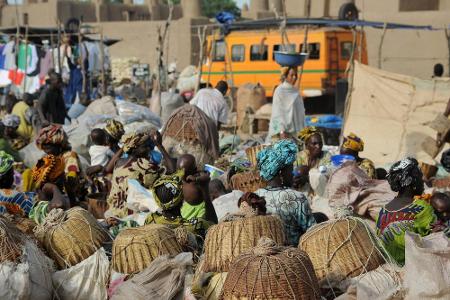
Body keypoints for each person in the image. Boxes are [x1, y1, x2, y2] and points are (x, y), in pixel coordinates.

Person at [255, 139, 316, 246]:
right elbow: (313, 232)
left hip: (264, 255)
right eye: (290, 170)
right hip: (292, 256)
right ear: (280, 172)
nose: (292, 174)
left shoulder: (255, 195)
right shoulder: (296, 197)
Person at [376, 157, 435, 266]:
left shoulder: (382, 211)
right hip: (413, 266)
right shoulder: (421, 207)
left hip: (390, 265)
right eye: (420, 178)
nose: (422, 181)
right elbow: (433, 239)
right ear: (411, 181)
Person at [106, 130, 174, 219]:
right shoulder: (143, 165)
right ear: (138, 149)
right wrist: (160, 146)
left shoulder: (119, 162)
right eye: (146, 147)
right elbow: (172, 171)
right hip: (127, 213)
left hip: (115, 208)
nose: (149, 149)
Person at [145, 171, 214, 237]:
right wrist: (205, 188)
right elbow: (214, 227)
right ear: (181, 198)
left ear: (157, 200)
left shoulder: (150, 219)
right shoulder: (193, 227)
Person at [32, 124, 83, 204]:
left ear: (58, 144)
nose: (46, 151)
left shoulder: (70, 155)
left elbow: (72, 172)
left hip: (71, 195)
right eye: (44, 147)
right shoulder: (47, 158)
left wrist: (64, 178)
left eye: (49, 146)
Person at [267, 66, 305, 141]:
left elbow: (300, 113)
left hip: (295, 133)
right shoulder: (279, 91)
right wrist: (281, 131)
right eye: (291, 75)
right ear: (286, 76)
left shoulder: (296, 92)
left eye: (296, 75)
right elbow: (277, 113)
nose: (294, 77)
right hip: (282, 133)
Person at [177, 154, 217, 223]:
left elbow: (206, 176)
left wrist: (196, 179)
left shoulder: (198, 180)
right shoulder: (178, 182)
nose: (182, 174)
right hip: (186, 216)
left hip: (200, 217)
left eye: (184, 172)